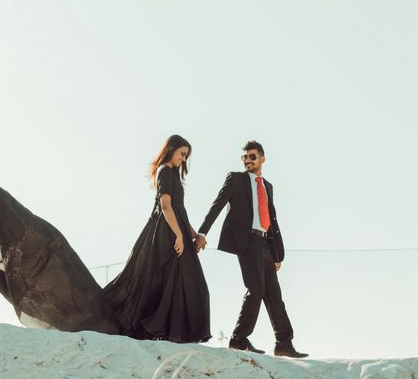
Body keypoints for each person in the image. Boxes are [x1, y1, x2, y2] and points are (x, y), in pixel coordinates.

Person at [196, 141, 307, 358]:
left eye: (252, 156)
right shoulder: (236, 179)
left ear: (263, 158)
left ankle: (284, 342)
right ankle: (238, 339)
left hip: (265, 243)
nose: (248, 160)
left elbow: (272, 222)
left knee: (274, 293)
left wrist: (276, 254)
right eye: (245, 157)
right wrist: (202, 232)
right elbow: (217, 204)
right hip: (246, 241)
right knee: (256, 289)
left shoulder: (267, 186)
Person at [102, 135, 212, 344]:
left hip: (176, 229)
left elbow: (179, 210)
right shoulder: (165, 171)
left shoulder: (174, 175)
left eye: (186, 156)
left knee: (184, 282)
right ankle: (162, 330)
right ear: (170, 150)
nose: (183, 158)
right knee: (180, 281)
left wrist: (193, 234)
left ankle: (169, 332)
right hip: (167, 232)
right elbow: (166, 206)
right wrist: (179, 235)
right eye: (181, 153)